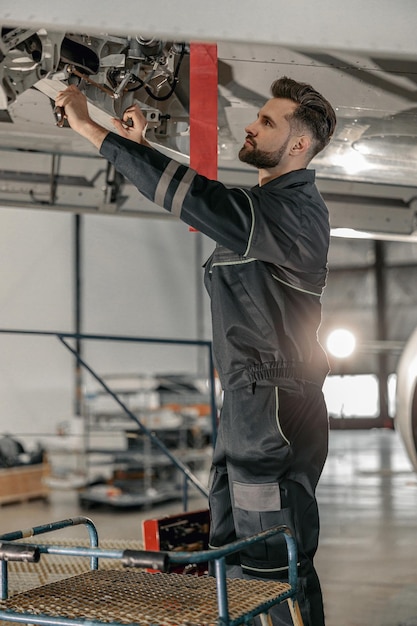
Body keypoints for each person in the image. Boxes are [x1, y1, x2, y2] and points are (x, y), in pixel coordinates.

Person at [55, 76, 336, 625]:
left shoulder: (293, 214)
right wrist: (140, 149)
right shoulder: (265, 208)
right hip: (248, 400)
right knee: (231, 551)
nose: (251, 126)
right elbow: (209, 200)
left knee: (271, 556)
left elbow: (198, 200)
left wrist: (92, 129)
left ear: (298, 146)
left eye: (268, 122)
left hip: (270, 398)